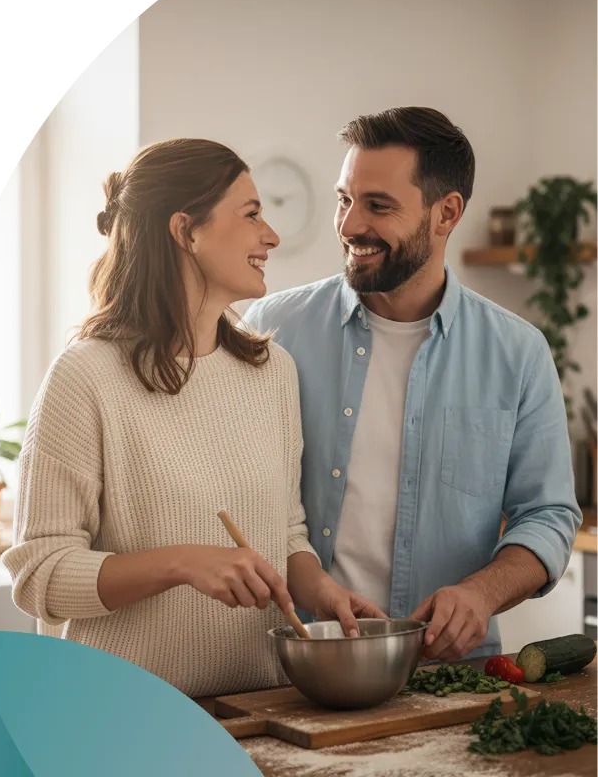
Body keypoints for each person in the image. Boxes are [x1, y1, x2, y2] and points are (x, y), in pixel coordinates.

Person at [2, 138, 386, 698]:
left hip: (259, 706)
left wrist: (322, 591)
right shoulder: (85, 377)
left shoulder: (272, 371)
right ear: (186, 231)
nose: (271, 236)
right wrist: (181, 564)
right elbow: (40, 575)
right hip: (123, 713)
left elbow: (284, 533)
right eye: (251, 214)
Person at [242, 107, 582, 663]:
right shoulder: (270, 330)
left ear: (446, 213)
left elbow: (548, 515)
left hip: (450, 675)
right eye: (345, 199)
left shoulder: (518, 353)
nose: (350, 225)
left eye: (378, 206)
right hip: (297, 670)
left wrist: (481, 594)